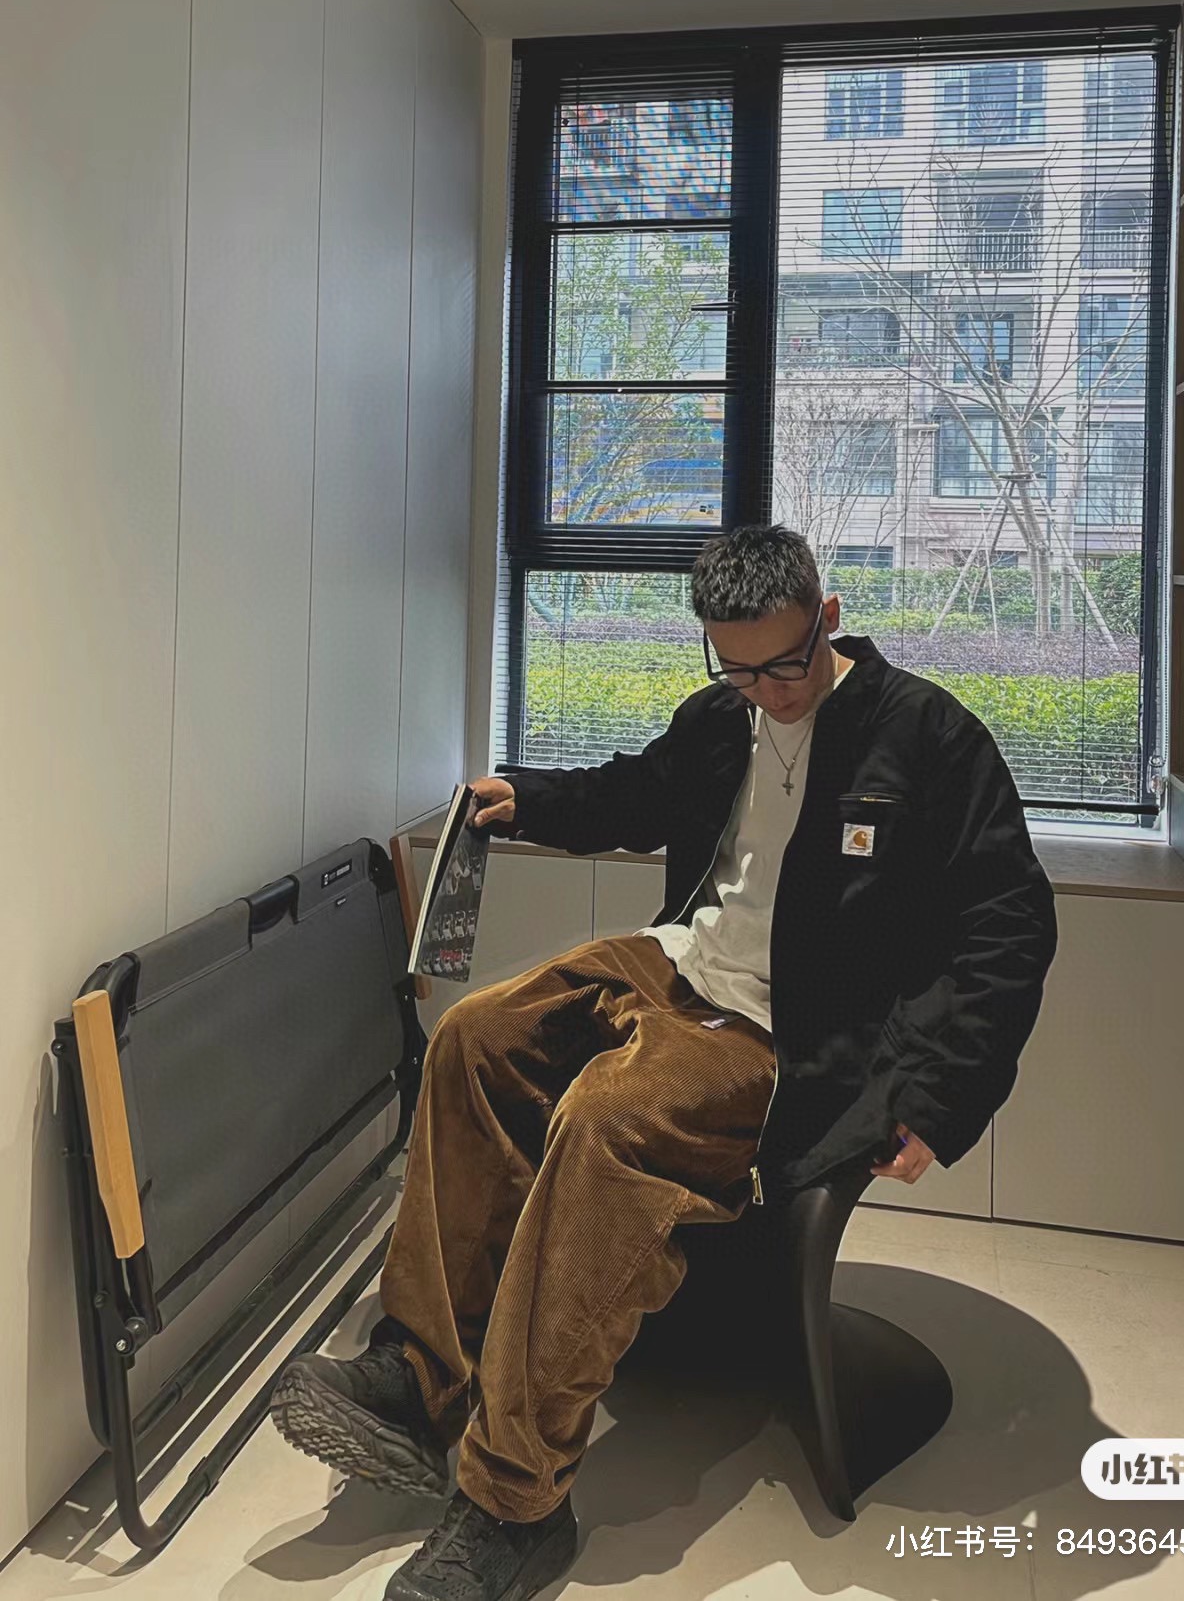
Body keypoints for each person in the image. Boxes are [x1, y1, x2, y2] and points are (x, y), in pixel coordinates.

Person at [269, 524, 1058, 1601]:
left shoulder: (926, 736)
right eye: (738, 670)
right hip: (677, 963)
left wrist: (937, 1090)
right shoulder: (720, 717)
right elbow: (638, 795)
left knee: (607, 1115)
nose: (767, 692)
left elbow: (1007, 922)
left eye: (785, 665)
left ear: (826, 619)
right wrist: (526, 799)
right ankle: (417, 1375)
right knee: (474, 1037)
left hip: (788, 1035)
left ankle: (516, 1504)